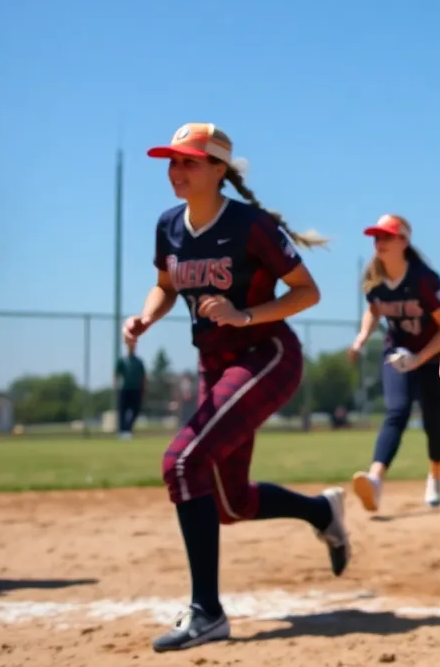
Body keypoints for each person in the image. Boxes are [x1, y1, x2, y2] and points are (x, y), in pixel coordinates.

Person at [124, 123, 351, 652]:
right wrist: (146, 318)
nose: (176, 171)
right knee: (230, 504)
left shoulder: (249, 226)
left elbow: (306, 292)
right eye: (172, 162)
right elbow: (164, 286)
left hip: (266, 356)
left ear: (219, 169)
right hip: (215, 364)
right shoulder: (168, 226)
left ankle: (207, 613)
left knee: (181, 464)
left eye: (189, 162)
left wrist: (244, 314)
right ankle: (323, 513)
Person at [347, 214, 440, 510]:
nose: (378, 242)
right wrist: (361, 337)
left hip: (431, 357)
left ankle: (435, 476)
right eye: (376, 237)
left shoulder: (424, 279)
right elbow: (374, 310)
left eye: (386, 236)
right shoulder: (375, 279)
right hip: (396, 354)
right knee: (397, 411)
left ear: (403, 241)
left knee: (434, 424)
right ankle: (375, 479)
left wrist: (420, 358)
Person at [114, 339, 146, 439]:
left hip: (136, 389)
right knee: (122, 410)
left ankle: (128, 429)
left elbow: (143, 377)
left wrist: (144, 389)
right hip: (124, 389)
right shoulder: (122, 360)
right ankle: (122, 431)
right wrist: (116, 387)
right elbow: (116, 375)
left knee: (135, 410)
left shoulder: (139, 362)